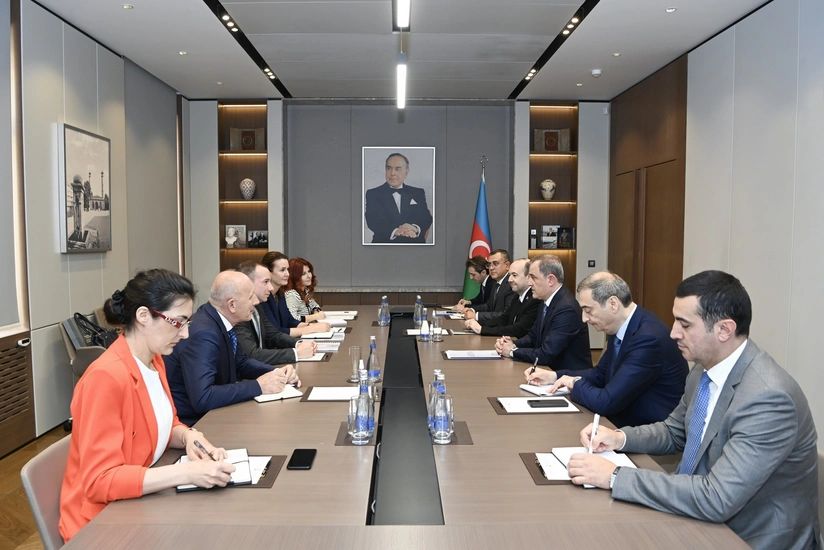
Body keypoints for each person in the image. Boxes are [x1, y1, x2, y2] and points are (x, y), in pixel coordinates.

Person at [567, 271, 820, 549]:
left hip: (746, 536)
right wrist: (619, 438)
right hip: (698, 514)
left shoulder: (768, 398)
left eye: (685, 324)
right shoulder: (703, 369)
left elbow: (717, 498)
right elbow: (674, 432)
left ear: (724, 330)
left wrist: (615, 476)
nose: (673, 333)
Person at [59, 270, 235, 542]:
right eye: (178, 322)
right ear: (143, 316)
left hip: (138, 502)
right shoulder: (105, 377)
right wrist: (186, 472)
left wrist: (189, 436)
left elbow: (164, 424)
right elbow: (99, 481)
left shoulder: (154, 360)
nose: (186, 333)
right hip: (101, 524)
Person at [525, 272, 687, 427]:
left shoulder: (648, 339)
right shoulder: (623, 327)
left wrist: (574, 383)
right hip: (620, 420)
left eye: (588, 310)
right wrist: (555, 376)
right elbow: (600, 374)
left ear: (613, 304)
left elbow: (606, 402)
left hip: (644, 433)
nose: (584, 318)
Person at [165, 270, 300, 426]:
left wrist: (276, 373)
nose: (256, 302)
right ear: (232, 305)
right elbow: (203, 398)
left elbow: (241, 362)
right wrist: (258, 386)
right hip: (198, 424)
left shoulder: (217, 319)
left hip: (217, 415)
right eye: (250, 297)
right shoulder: (204, 334)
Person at [495, 254, 590, 370]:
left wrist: (512, 351)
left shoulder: (566, 309)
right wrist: (513, 343)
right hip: (548, 371)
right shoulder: (545, 300)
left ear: (550, 280)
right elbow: (533, 337)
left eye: (533, 277)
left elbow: (546, 354)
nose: (529, 283)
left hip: (567, 376)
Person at [235, 261, 317, 364]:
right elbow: (252, 355)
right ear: (248, 283)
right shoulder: (237, 312)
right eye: (266, 282)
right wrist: (296, 353)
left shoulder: (258, 306)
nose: (270, 287)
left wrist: (299, 343)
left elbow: (273, 335)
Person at [364, 152, 433, 243]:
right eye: (389, 168)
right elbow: (372, 220)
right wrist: (396, 231)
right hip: (385, 245)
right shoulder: (373, 194)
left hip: (415, 245)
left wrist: (415, 228)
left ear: (406, 172)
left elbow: (426, 217)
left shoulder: (418, 192)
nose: (392, 173)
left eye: (397, 169)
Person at [464, 258, 540, 338]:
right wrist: (478, 324)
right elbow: (504, 319)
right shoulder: (517, 296)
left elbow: (518, 329)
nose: (510, 280)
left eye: (514, 275)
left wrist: (482, 329)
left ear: (528, 277)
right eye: (509, 275)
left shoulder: (535, 299)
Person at [260, 251, 331, 337]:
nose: (287, 274)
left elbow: (290, 321)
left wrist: (311, 325)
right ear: (268, 272)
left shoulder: (280, 294)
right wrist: (312, 328)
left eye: (287, 269)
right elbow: (275, 332)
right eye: (282, 270)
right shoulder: (263, 298)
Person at [461, 249, 515, 323]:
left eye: (495, 263)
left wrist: (476, 316)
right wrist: (472, 309)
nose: (491, 268)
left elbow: (505, 315)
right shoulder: (496, 283)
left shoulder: (511, 284)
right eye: (489, 264)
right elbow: (488, 306)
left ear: (507, 265)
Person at [284, 257, 326, 323]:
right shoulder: (291, 294)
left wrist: (315, 311)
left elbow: (315, 305)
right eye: (303, 274)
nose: (309, 276)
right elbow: (292, 319)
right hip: (299, 329)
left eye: (309, 271)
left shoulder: (305, 290)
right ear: (294, 277)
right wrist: (315, 316)